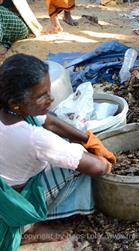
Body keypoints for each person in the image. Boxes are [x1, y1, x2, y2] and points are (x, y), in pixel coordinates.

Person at [0, 54, 116, 250]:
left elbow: (49, 121)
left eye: (48, 90)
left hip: (5, 181)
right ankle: (27, 227)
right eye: (42, 95)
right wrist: (104, 161)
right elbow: (97, 168)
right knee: (79, 165)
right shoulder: (33, 138)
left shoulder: (10, 109)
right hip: (11, 202)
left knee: (71, 145)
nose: (51, 98)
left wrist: (87, 138)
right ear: (15, 103)